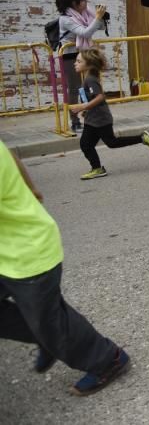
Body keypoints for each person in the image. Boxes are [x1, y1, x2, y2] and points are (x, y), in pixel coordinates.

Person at [0, 140, 132, 395]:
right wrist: (31, 190)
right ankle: (46, 339)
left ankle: (108, 359)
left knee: (50, 321)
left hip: (27, 253)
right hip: (9, 253)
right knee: (44, 323)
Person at [69, 48, 149, 180]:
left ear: (88, 64)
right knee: (90, 144)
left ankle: (141, 138)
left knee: (106, 143)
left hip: (100, 119)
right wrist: (86, 110)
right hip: (94, 118)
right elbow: (93, 98)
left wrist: (83, 106)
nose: (75, 63)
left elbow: (100, 97)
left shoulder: (90, 80)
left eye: (78, 61)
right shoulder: (89, 78)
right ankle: (97, 168)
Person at [56, 0, 108, 133]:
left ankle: (88, 115)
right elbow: (85, 33)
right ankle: (75, 120)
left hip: (84, 54)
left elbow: (101, 27)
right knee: (74, 88)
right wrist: (97, 18)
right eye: (84, 0)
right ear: (75, 3)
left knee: (87, 86)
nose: (86, 3)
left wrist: (101, 17)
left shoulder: (85, 13)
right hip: (70, 56)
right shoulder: (65, 19)